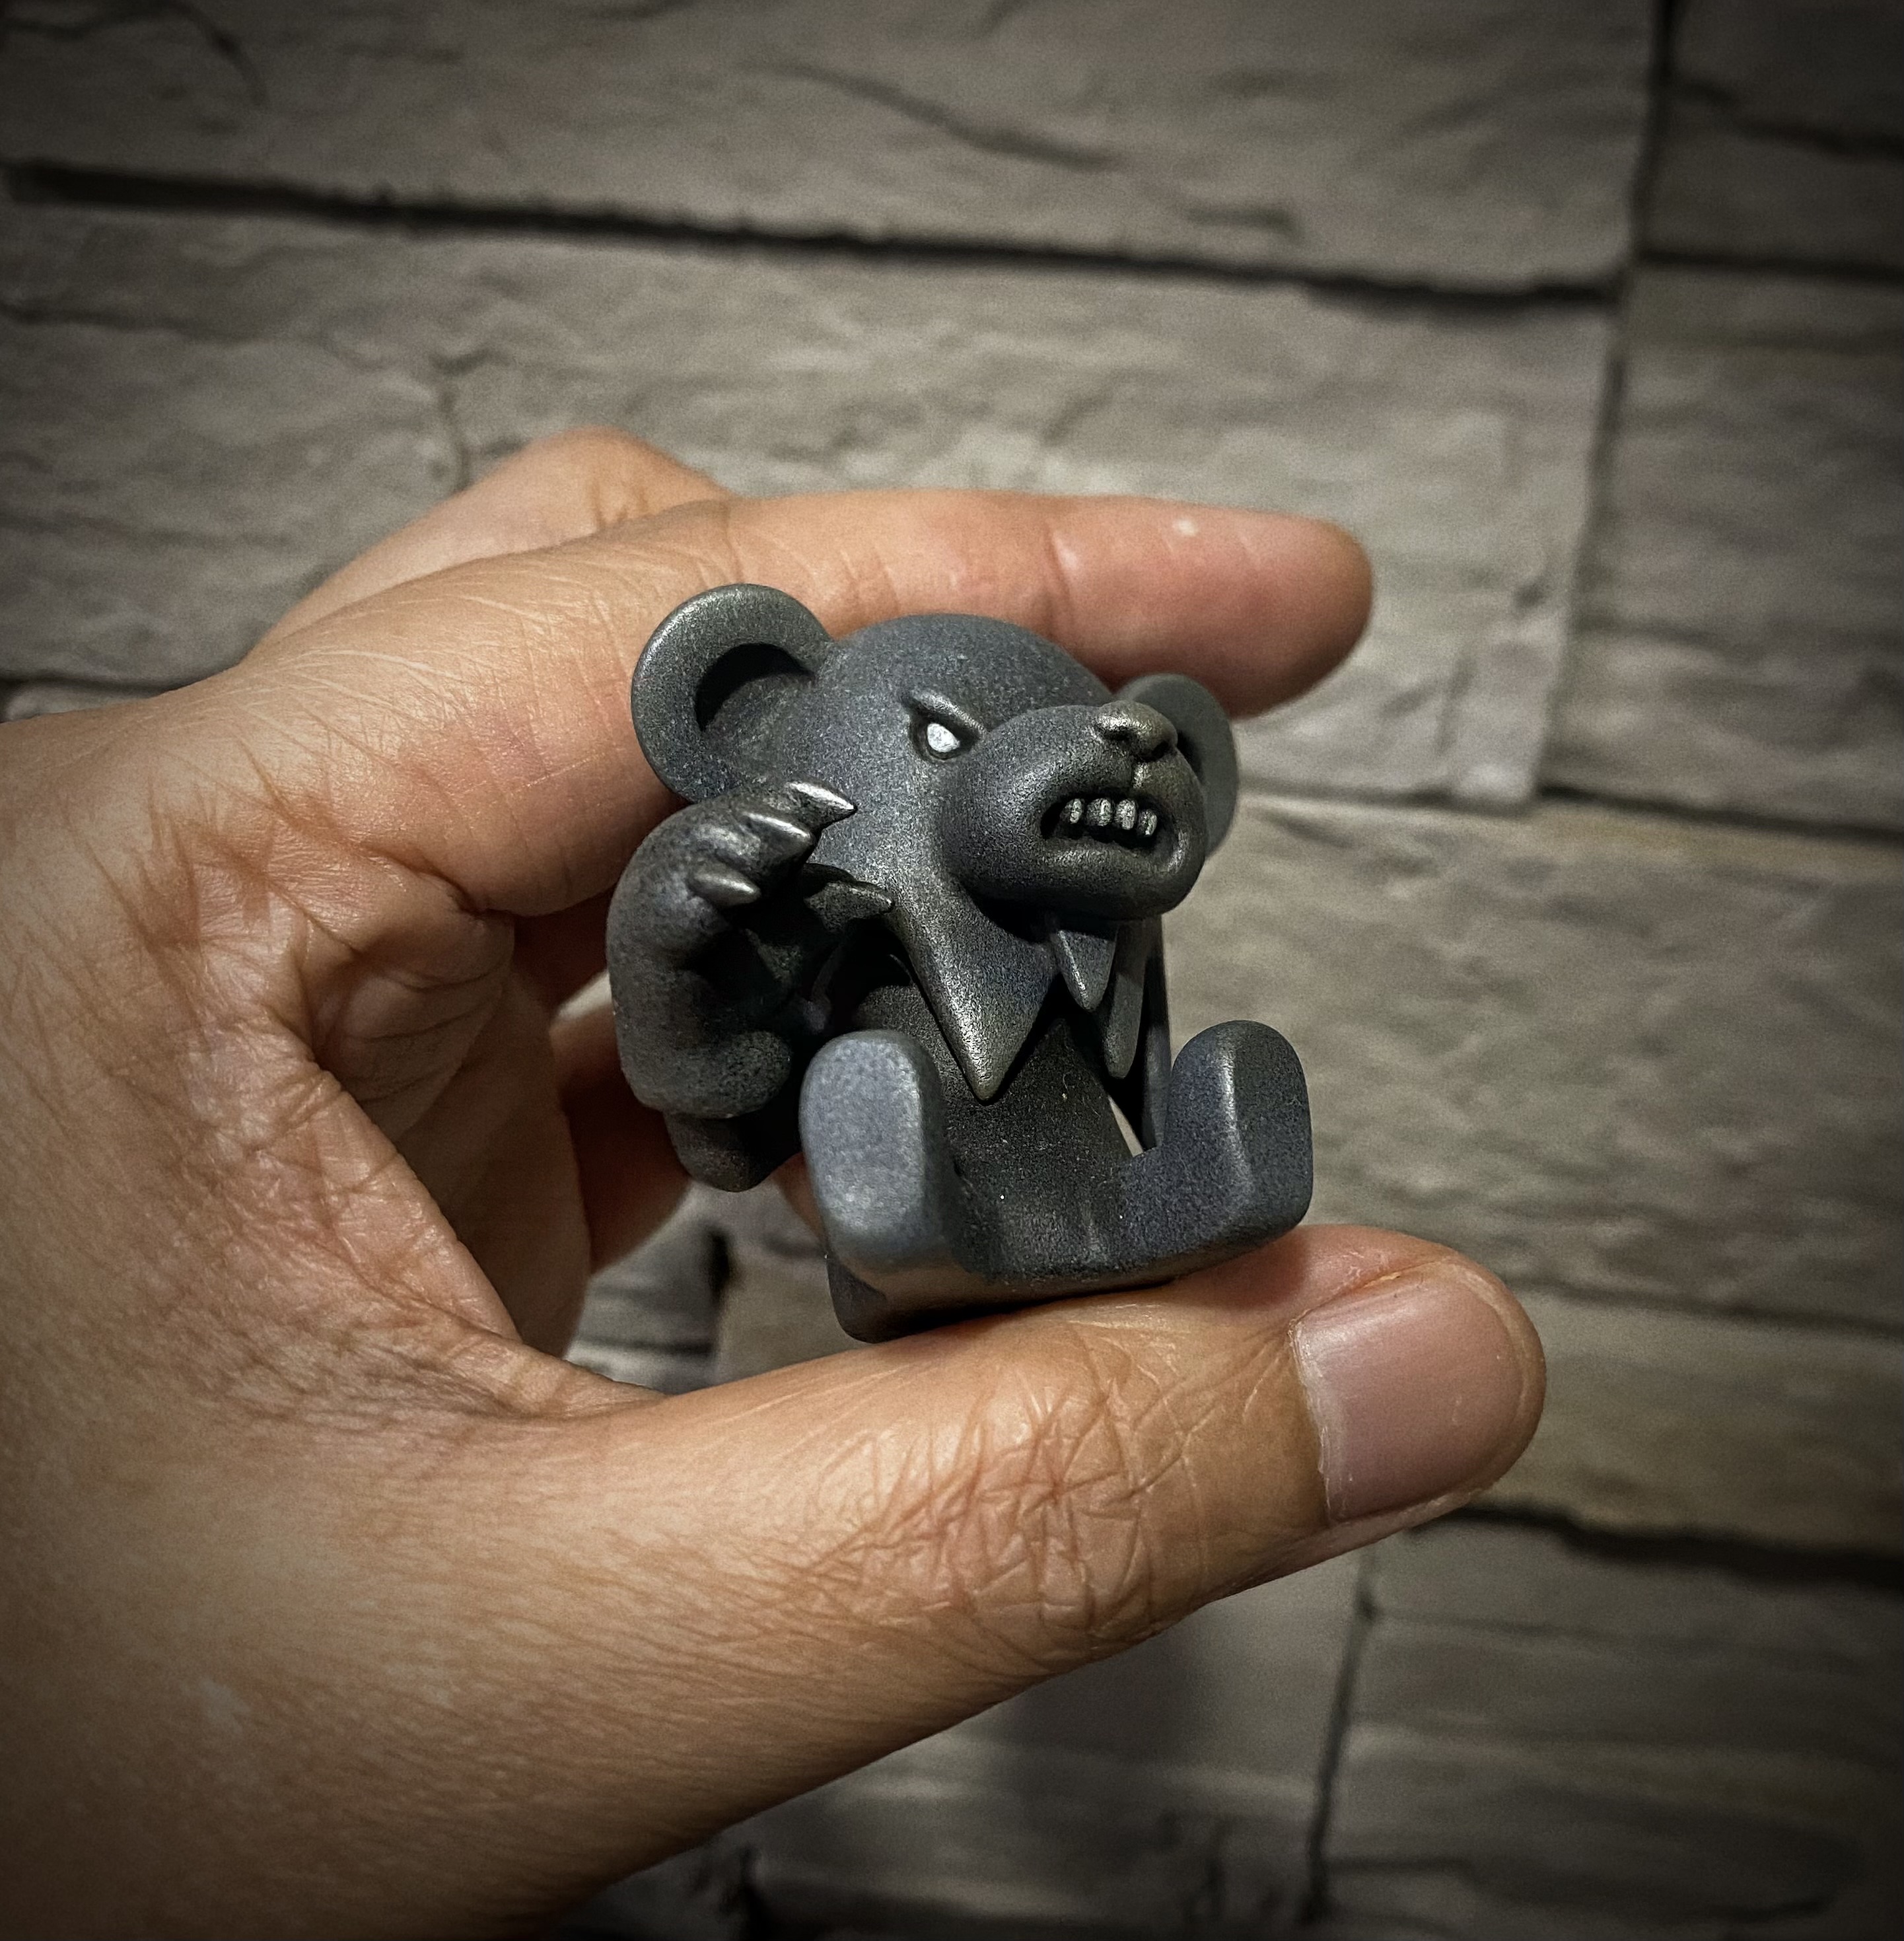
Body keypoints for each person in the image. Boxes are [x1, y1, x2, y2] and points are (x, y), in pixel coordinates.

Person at [0, 430, 1543, 1938]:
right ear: (746, 726)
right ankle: (911, 1219)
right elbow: (717, 1113)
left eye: (1126, 734)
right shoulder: (806, 908)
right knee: (865, 1099)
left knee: (1179, 1082)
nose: (1122, 749)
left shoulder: (1103, 949)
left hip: (1106, 1183)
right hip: (917, 1202)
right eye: (939, 741)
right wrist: (669, 939)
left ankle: (1181, 1178)